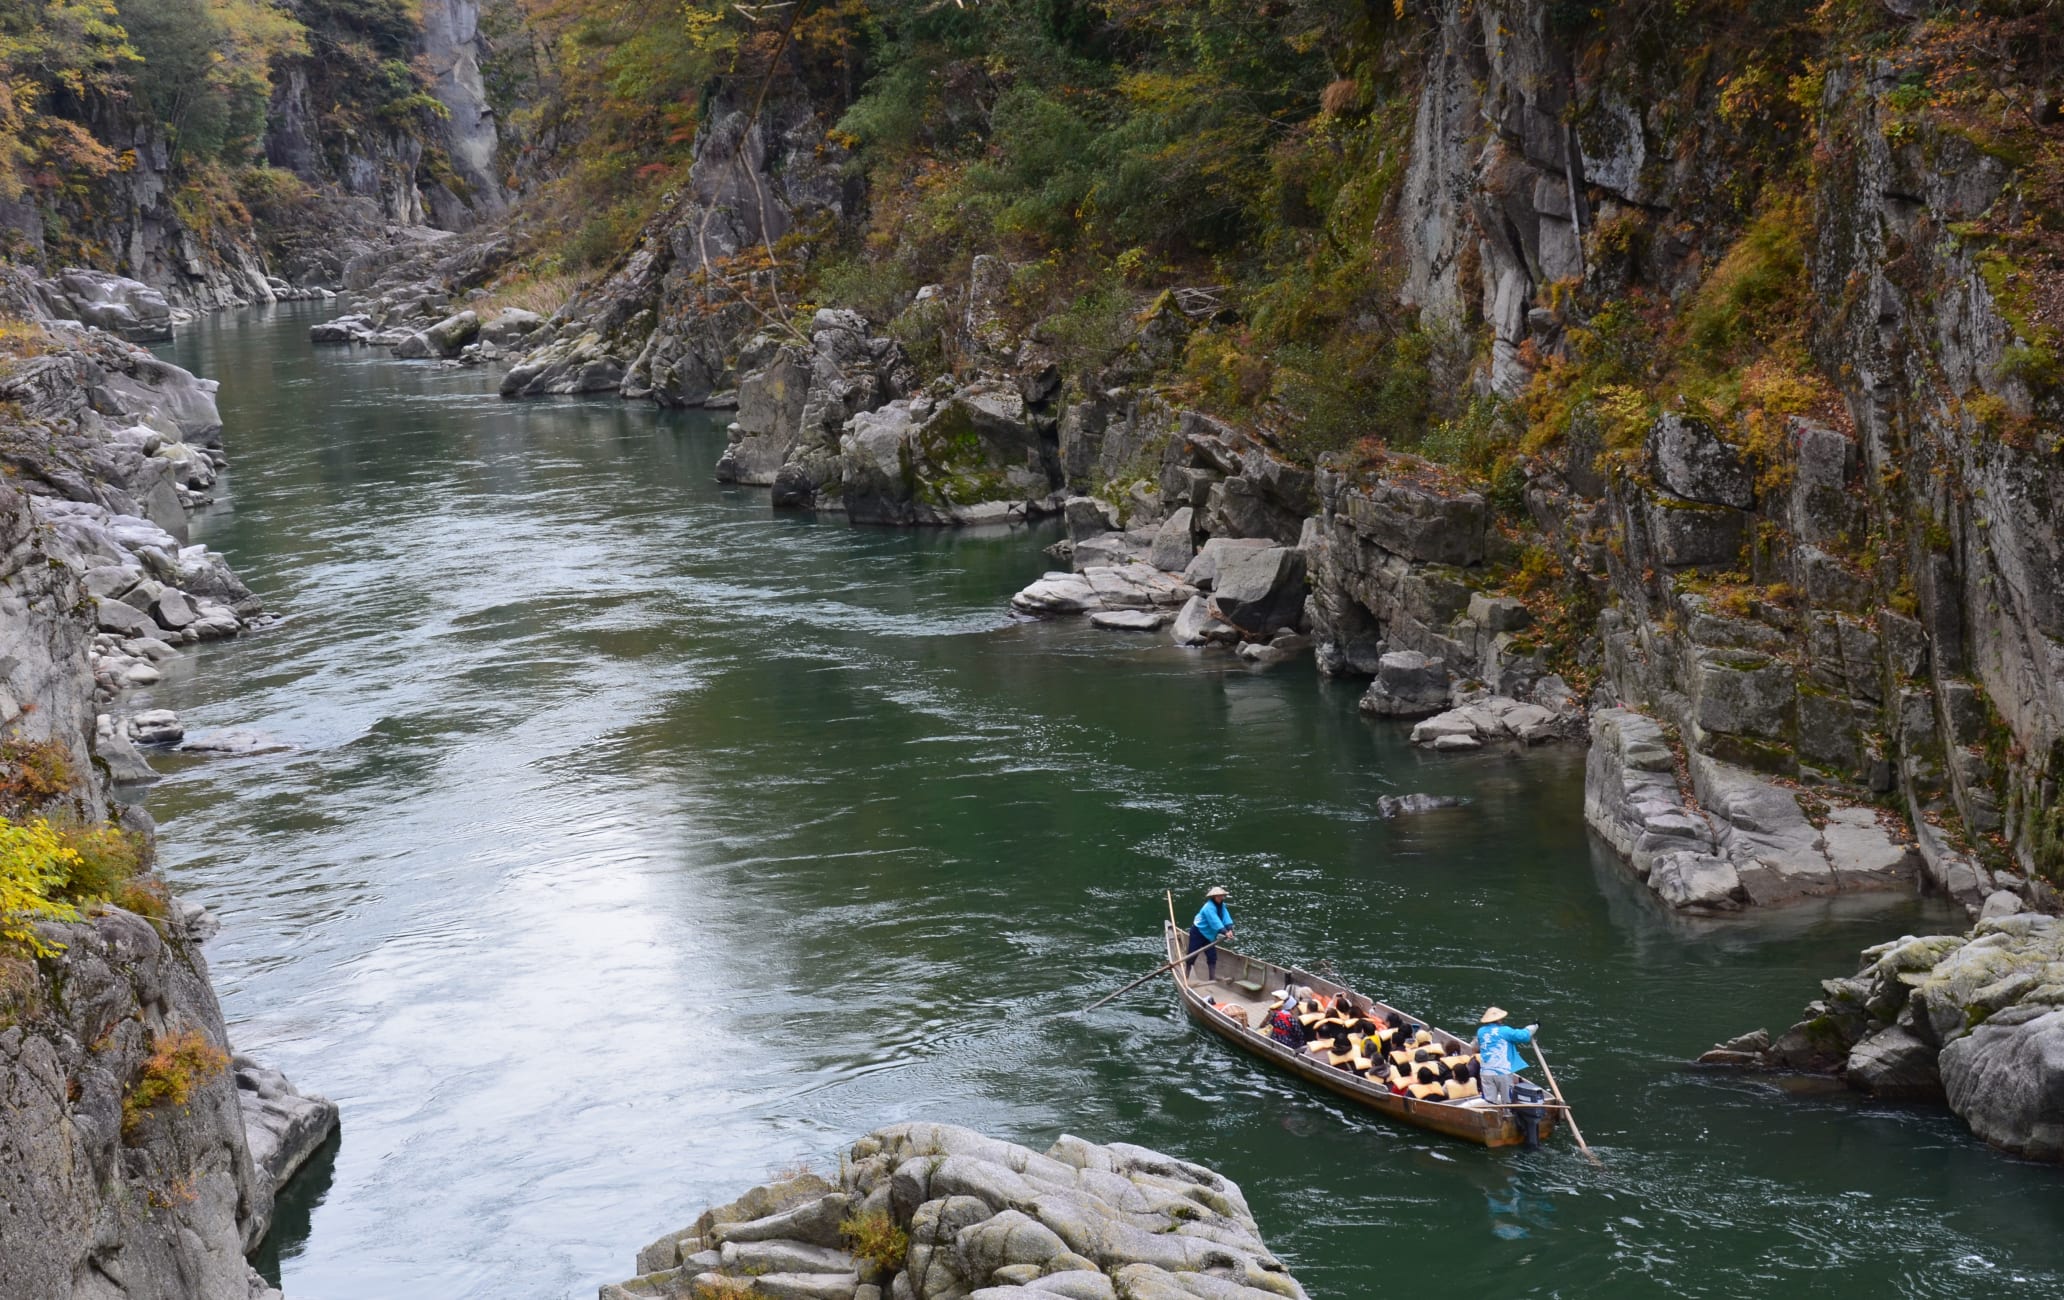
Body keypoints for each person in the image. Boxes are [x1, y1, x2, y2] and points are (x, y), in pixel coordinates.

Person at [1474, 1007, 1539, 1105]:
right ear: (1499, 1019)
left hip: (1486, 1072)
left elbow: (1476, 1046)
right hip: (1502, 1072)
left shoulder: (1480, 1031)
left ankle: (1491, 1117)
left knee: (1489, 1102)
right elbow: (1523, 1036)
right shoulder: (1505, 1030)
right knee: (1508, 1101)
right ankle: (1507, 1116)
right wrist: (1534, 1026)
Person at [1184, 886, 1235, 980]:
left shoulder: (1221, 905)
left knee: (1212, 956)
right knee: (1192, 954)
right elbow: (1214, 921)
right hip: (1198, 932)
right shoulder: (1208, 907)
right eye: (1220, 896)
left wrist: (1230, 929)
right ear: (1215, 897)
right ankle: (1186, 973)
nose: (1222, 898)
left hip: (1210, 935)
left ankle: (1212, 978)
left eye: (1222, 896)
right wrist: (1224, 932)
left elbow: (1226, 917)